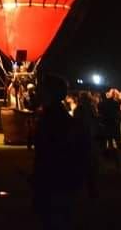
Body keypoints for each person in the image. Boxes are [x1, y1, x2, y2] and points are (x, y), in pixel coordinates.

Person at [32, 75, 83, 230]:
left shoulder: (52, 119)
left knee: (54, 218)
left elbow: (50, 151)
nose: (38, 93)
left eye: (42, 90)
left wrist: (40, 175)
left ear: (49, 93)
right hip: (60, 178)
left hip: (54, 179)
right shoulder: (62, 116)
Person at [72, 93, 99, 198]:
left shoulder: (79, 110)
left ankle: (84, 188)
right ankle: (92, 188)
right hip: (90, 137)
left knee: (83, 163)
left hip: (82, 137)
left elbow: (76, 123)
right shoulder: (92, 109)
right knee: (91, 164)